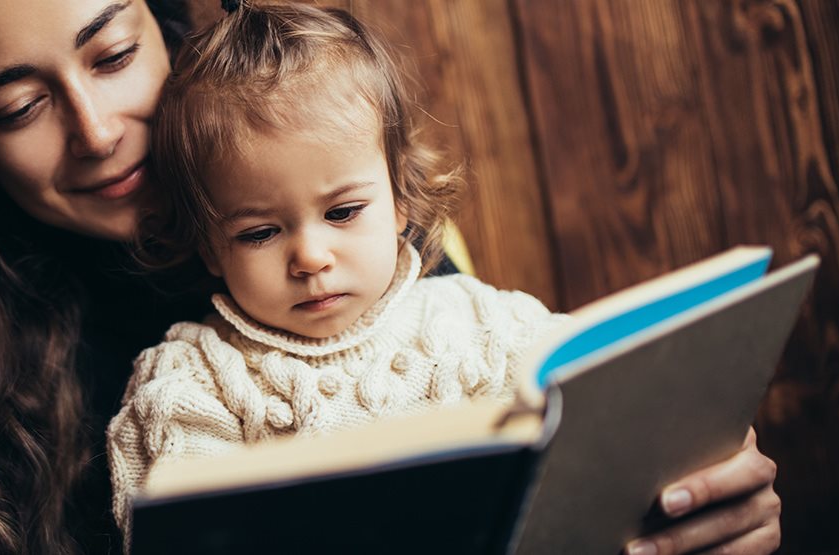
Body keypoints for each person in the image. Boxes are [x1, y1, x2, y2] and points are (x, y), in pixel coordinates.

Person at [0, 0, 781, 553]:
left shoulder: (388, 264)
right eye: (19, 107)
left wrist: (679, 506)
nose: (98, 131)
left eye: (113, 55)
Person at [103, 3, 567, 542]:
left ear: (400, 200)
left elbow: (599, 420)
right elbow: (185, 526)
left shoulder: (482, 323)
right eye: (259, 233)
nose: (310, 257)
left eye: (342, 212)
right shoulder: (194, 383)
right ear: (209, 249)